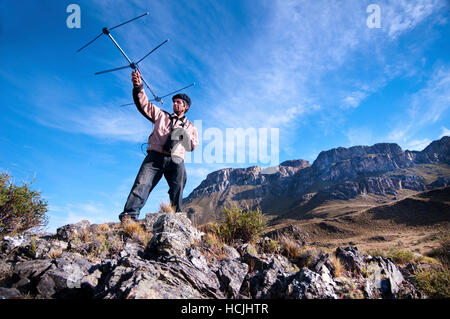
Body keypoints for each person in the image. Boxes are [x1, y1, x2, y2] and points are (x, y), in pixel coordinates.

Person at [119, 70, 199, 221]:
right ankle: (129, 216)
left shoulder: (191, 126)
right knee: (142, 184)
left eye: (178, 102)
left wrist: (183, 135)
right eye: (174, 102)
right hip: (155, 157)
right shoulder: (161, 115)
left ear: (186, 107)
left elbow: (192, 146)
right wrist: (138, 87)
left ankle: (177, 218)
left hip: (176, 160)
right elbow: (144, 105)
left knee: (178, 188)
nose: (175, 104)